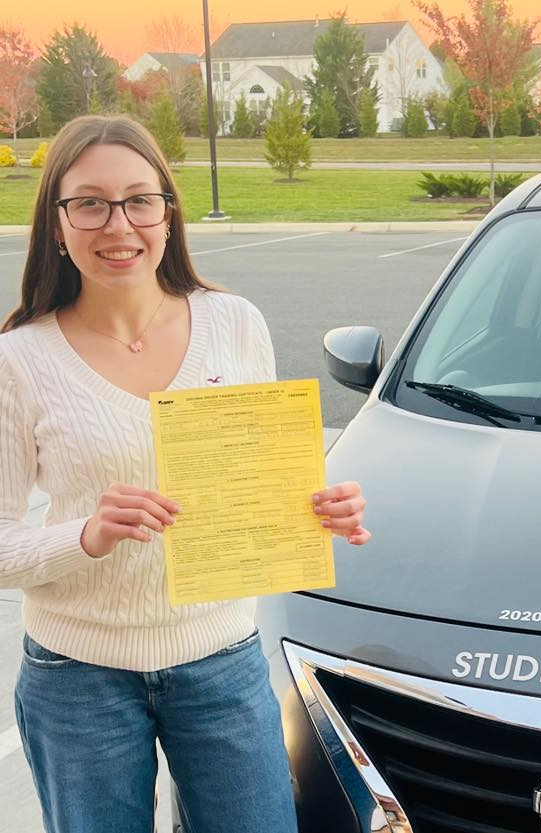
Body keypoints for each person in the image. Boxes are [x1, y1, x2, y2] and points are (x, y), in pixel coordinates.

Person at [0, 114, 371, 833]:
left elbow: (254, 482)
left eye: (141, 200)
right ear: (56, 222)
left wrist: (315, 506)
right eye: (90, 202)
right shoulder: (19, 360)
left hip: (220, 661)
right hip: (77, 676)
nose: (119, 225)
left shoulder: (234, 323)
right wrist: (87, 534)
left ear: (168, 215)